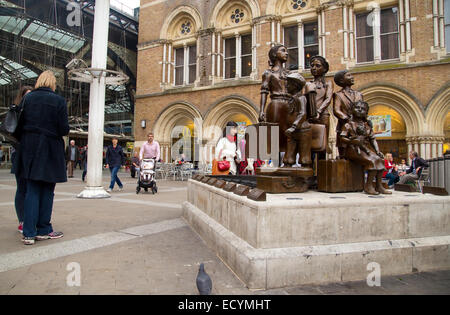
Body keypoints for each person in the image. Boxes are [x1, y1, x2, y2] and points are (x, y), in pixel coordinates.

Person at [14, 71, 68, 245]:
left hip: (29, 147)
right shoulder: (59, 101)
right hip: (51, 148)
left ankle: (29, 233)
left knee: (32, 190)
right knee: (47, 191)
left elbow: (19, 124)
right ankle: (44, 229)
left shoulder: (28, 99)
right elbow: (64, 129)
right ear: (53, 83)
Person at [339, 101, 391, 195]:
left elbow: (373, 139)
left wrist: (377, 151)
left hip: (365, 149)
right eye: (357, 107)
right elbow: (342, 138)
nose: (359, 110)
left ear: (366, 112)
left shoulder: (367, 126)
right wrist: (351, 141)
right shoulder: (348, 125)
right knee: (372, 161)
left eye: (362, 109)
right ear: (352, 110)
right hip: (353, 150)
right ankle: (368, 186)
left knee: (381, 160)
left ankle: (379, 186)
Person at [10, 86, 33, 234]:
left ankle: (29, 218)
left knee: (30, 188)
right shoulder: (16, 112)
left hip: (30, 154)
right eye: (27, 96)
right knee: (22, 187)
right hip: (19, 153)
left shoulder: (32, 113)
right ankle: (22, 220)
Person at [306, 55, 333, 160]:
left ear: (324, 68)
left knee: (322, 145)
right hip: (309, 117)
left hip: (323, 116)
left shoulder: (328, 83)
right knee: (309, 144)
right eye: (312, 66)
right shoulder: (308, 84)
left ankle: (322, 172)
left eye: (317, 66)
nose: (314, 68)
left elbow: (328, 98)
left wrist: (319, 111)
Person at [333, 70, 364, 159]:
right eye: (349, 75)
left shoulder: (359, 94)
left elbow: (363, 109)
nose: (352, 77)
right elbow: (336, 110)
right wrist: (347, 119)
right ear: (342, 80)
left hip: (358, 127)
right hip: (345, 125)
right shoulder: (338, 95)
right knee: (344, 149)